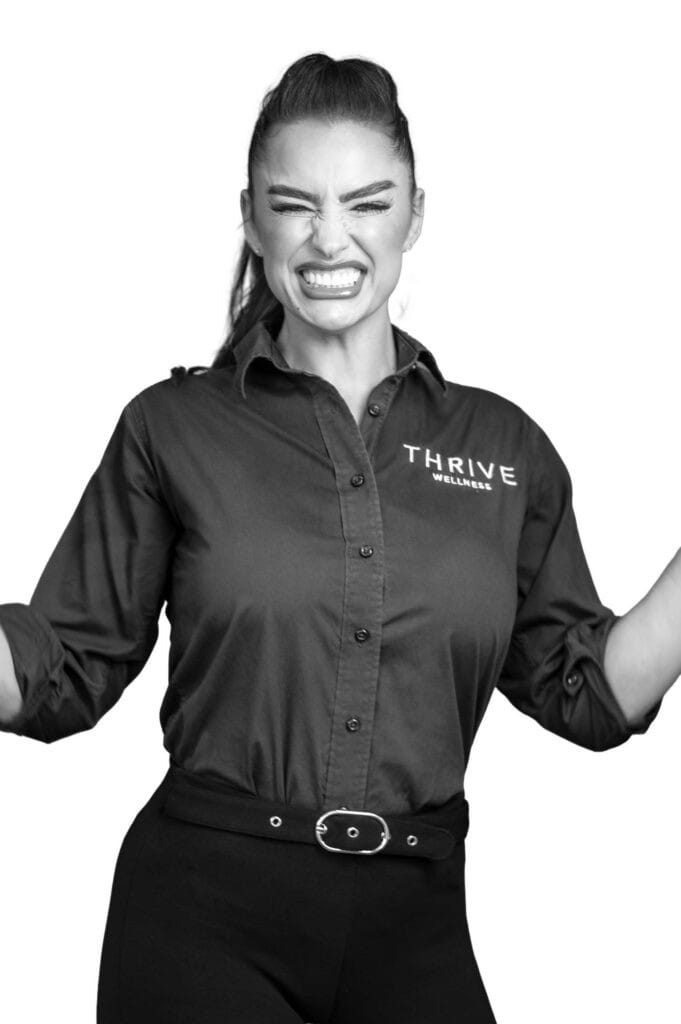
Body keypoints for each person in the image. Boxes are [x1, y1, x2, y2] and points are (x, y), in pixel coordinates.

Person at [0, 50, 678, 1024]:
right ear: (251, 217)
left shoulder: (503, 449)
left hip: (417, 923)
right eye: (294, 204)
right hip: (201, 920)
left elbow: (589, 692)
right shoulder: (172, 428)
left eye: (366, 203)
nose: (330, 238)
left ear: (415, 214)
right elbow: (64, 664)